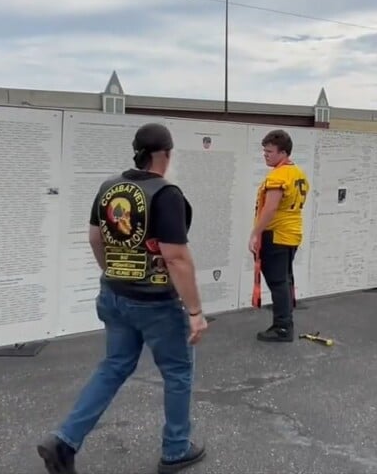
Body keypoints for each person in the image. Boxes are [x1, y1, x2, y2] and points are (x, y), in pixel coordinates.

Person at [38, 122, 208, 474]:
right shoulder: (166, 194)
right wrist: (195, 311)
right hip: (156, 303)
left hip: (114, 295)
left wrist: (112, 273)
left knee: (114, 366)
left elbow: (95, 238)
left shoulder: (109, 188)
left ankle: (65, 440)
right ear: (165, 154)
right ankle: (176, 449)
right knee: (177, 372)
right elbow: (175, 257)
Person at [248, 129, 309, 343]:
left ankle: (283, 327)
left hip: (276, 234)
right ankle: (284, 323)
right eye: (264, 151)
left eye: (270, 151)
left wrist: (255, 234)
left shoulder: (279, 176)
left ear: (283, 153)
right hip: (291, 233)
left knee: (277, 281)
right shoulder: (298, 173)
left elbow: (270, 208)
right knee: (284, 279)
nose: (265, 155)